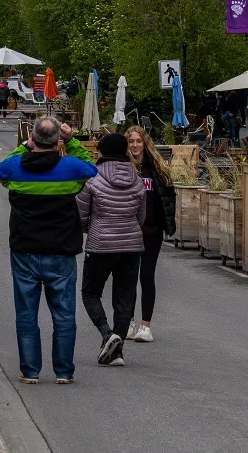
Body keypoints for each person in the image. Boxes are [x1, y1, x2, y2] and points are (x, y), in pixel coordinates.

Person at [0, 115, 96, 384]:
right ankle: (63, 371)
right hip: (61, 251)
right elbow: (90, 168)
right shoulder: (70, 168)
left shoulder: (16, 167)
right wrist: (72, 142)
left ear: (33, 138)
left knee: (26, 314)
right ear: (57, 139)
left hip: (24, 249)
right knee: (64, 314)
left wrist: (24, 146)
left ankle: (30, 371)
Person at [77, 131, 148, 367]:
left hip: (100, 245)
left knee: (90, 293)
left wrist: (94, 229)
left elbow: (81, 216)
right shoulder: (137, 180)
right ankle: (117, 352)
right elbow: (141, 217)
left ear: (102, 152)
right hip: (131, 246)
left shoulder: (93, 179)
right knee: (124, 297)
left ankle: (107, 333)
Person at [124, 125, 175, 342]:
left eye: (139, 141)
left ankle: (145, 326)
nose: (135, 145)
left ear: (145, 143)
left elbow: (168, 197)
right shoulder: (123, 168)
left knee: (146, 276)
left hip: (152, 231)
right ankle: (128, 322)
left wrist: (169, 223)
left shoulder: (156, 169)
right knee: (128, 278)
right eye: (131, 141)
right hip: (128, 232)